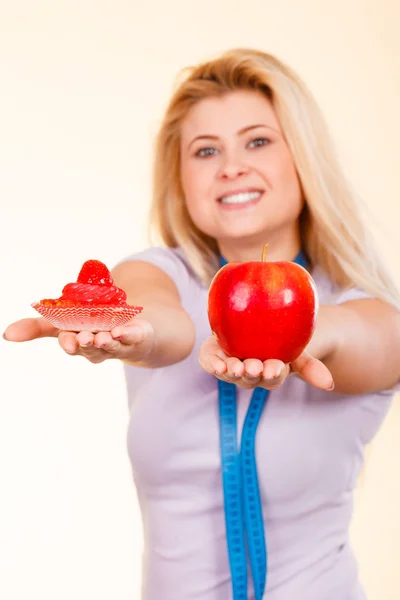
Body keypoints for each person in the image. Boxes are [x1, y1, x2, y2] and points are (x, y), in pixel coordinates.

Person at [4, 48, 400, 600]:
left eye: (257, 141)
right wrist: (133, 331)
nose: (230, 166)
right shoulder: (157, 273)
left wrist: (306, 331)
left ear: (303, 158)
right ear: (182, 179)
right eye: (205, 150)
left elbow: (372, 340)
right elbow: (168, 326)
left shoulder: (363, 305)